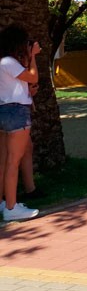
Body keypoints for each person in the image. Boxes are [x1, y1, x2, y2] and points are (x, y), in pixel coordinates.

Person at [0, 24, 40, 221]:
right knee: (13, 162)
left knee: (5, 160)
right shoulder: (8, 62)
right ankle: (11, 208)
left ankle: (4, 202)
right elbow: (33, 76)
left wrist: (28, 91)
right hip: (16, 113)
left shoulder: (3, 63)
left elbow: (16, 87)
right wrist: (33, 56)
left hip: (5, 111)